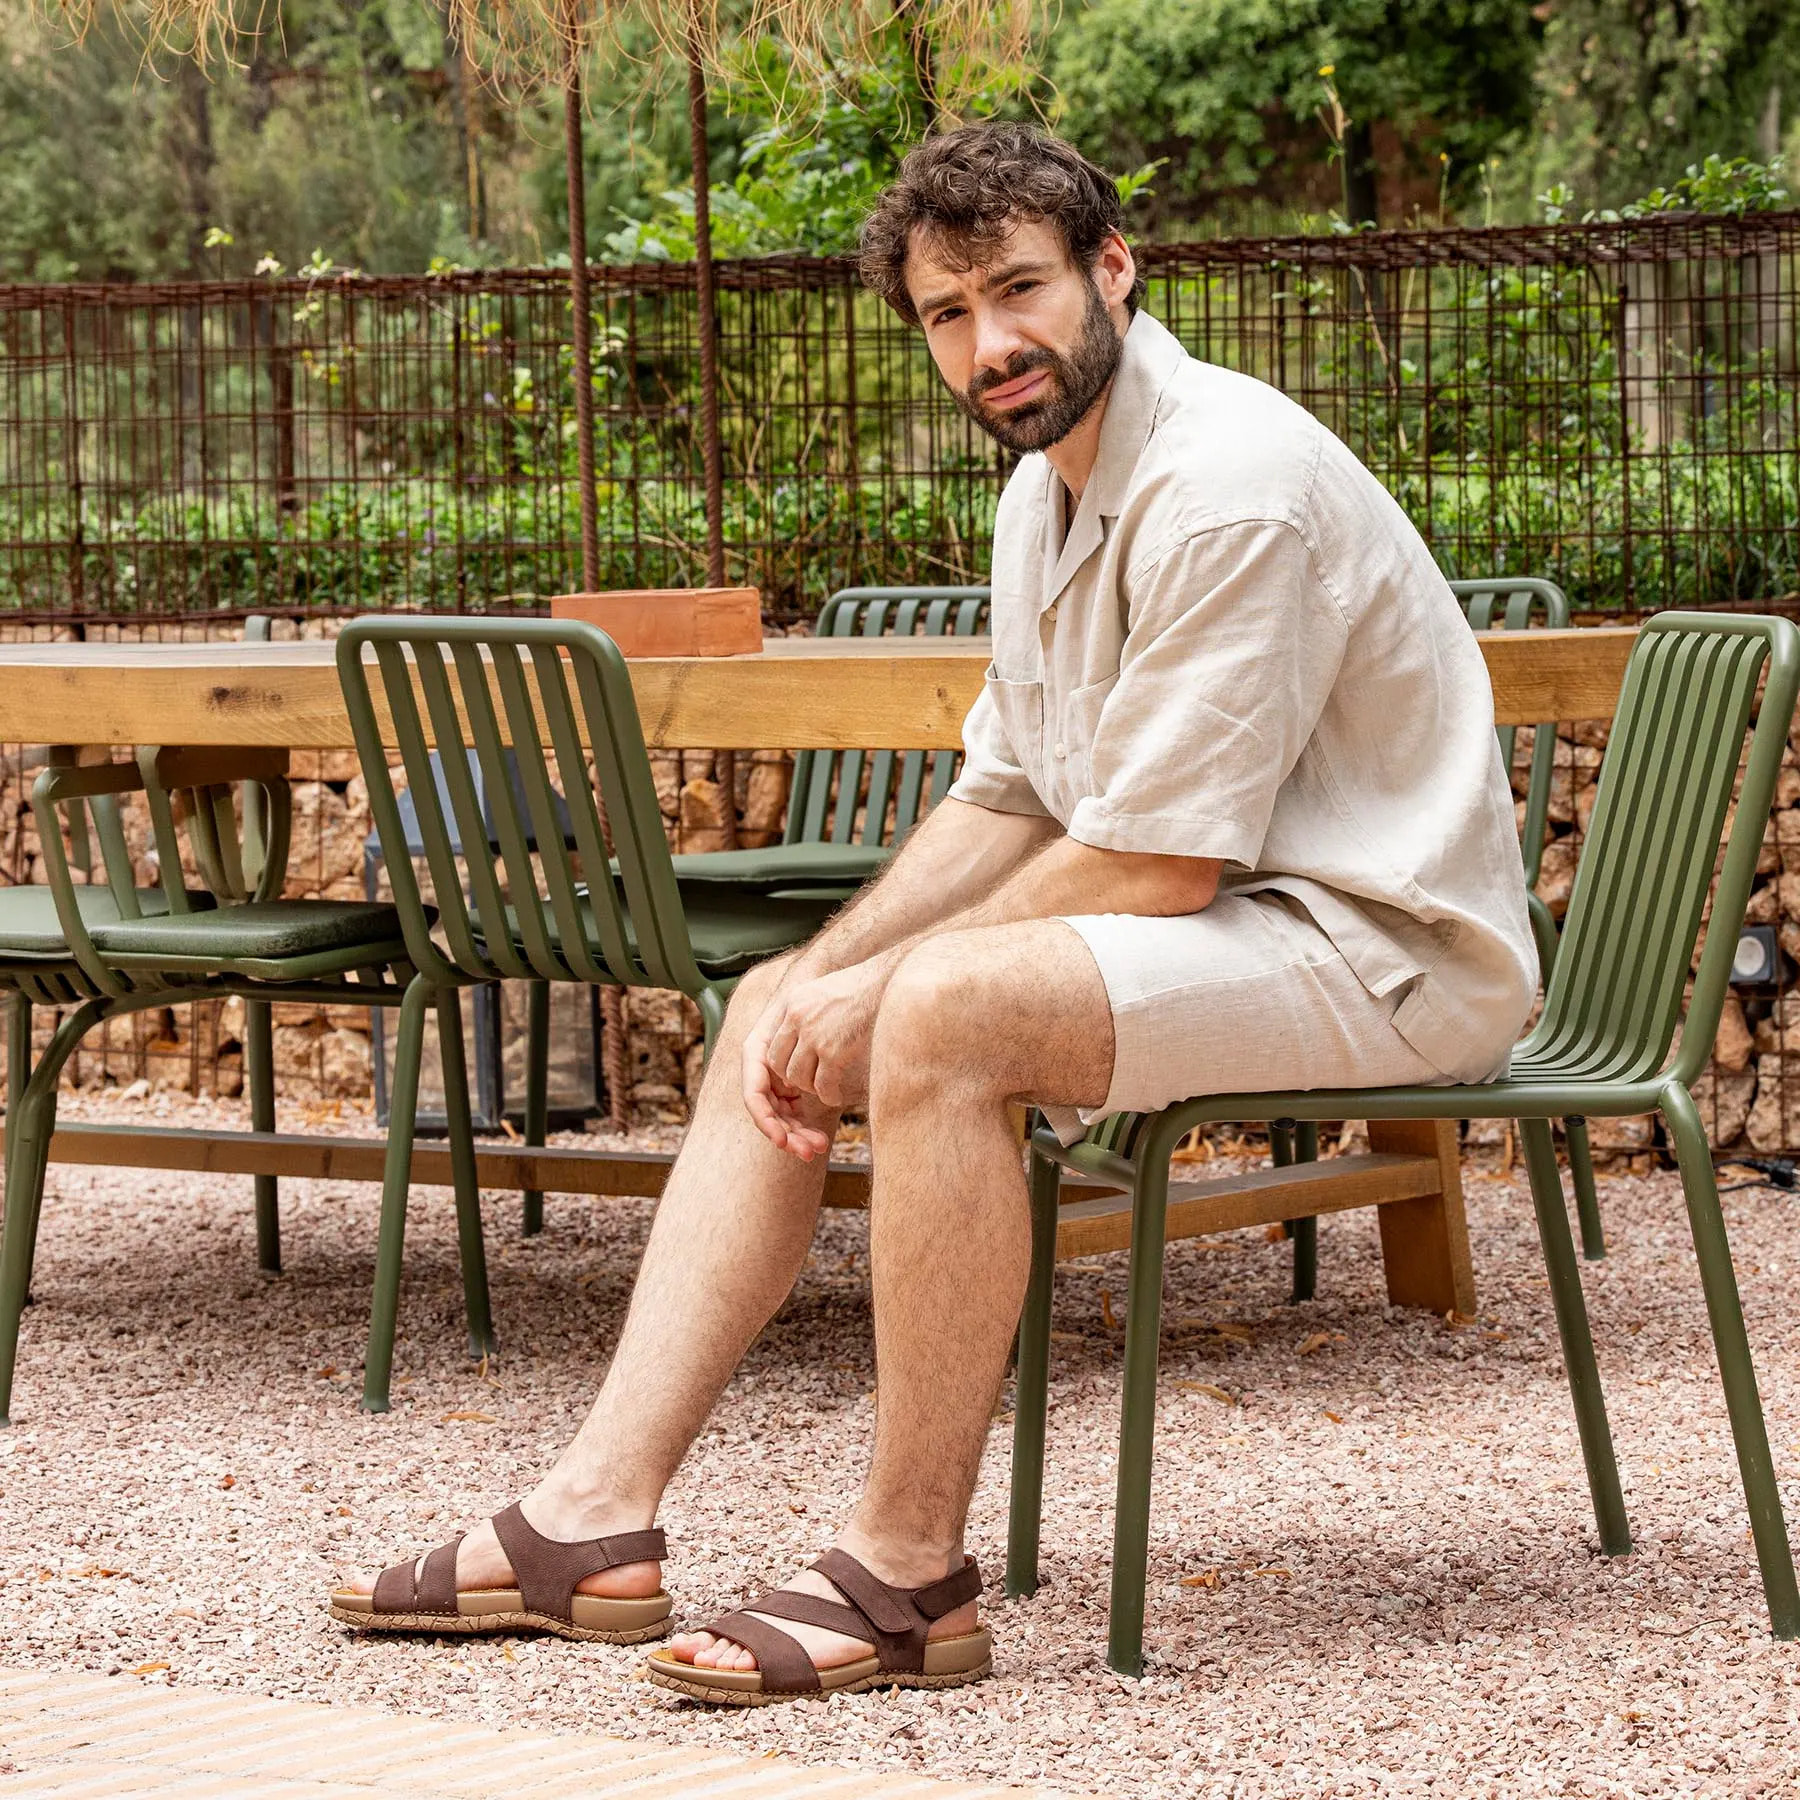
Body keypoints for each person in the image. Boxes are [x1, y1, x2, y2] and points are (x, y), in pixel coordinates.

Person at [330, 121, 1536, 1703]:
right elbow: (1008, 798)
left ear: (1114, 270)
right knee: (776, 997)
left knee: (944, 1014)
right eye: (947, 315)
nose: (991, 344)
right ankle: (587, 1524)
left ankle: (908, 1580)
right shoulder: (1044, 488)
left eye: (1021, 290)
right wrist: (828, 977)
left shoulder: (1230, 483)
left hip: (1383, 952)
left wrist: (897, 983)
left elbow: (1162, 861)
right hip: (1241, 921)